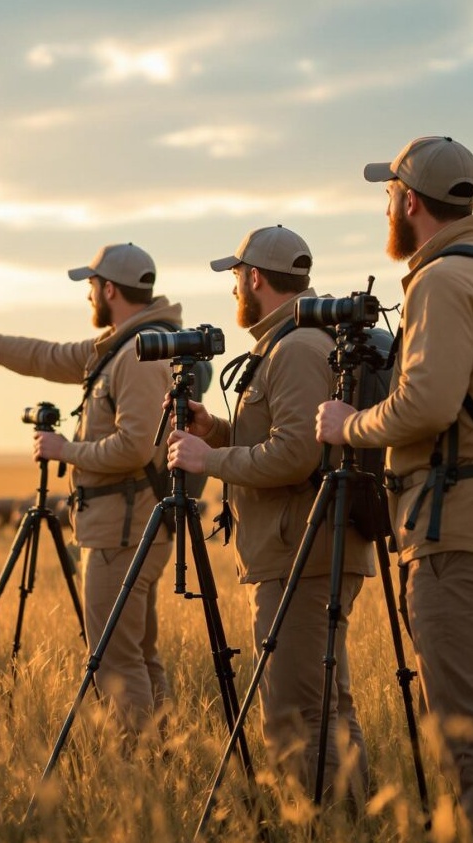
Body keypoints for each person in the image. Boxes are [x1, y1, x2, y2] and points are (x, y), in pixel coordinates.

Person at [0, 242, 181, 733]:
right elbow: (45, 355)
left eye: (92, 286)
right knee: (137, 651)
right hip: (128, 524)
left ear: (110, 289)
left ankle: (136, 771)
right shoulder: (123, 345)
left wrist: (64, 451)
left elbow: (135, 449)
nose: (88, 297)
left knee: (116, 661)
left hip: (122, 528)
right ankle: (166, 757)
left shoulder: (138, 355)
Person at [166, 225, 373, 804]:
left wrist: (210, 457)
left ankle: (325, 824)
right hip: (294, 548)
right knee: (321, 705)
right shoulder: (288, 343)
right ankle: (355, 821)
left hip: (302, 552)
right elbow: (287, 441)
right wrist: (220, 432)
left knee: (298, 713)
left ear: (254, 278)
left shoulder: (299, 346)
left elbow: (297, 455)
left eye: (236, 276)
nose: (236, 287)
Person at [317, 135, 473, 826]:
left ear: (410, 201)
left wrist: (348, 425)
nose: (389, 206)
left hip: (452, 536)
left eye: (389, 194)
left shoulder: (441, 278)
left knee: (464, 740)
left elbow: (429, 405)